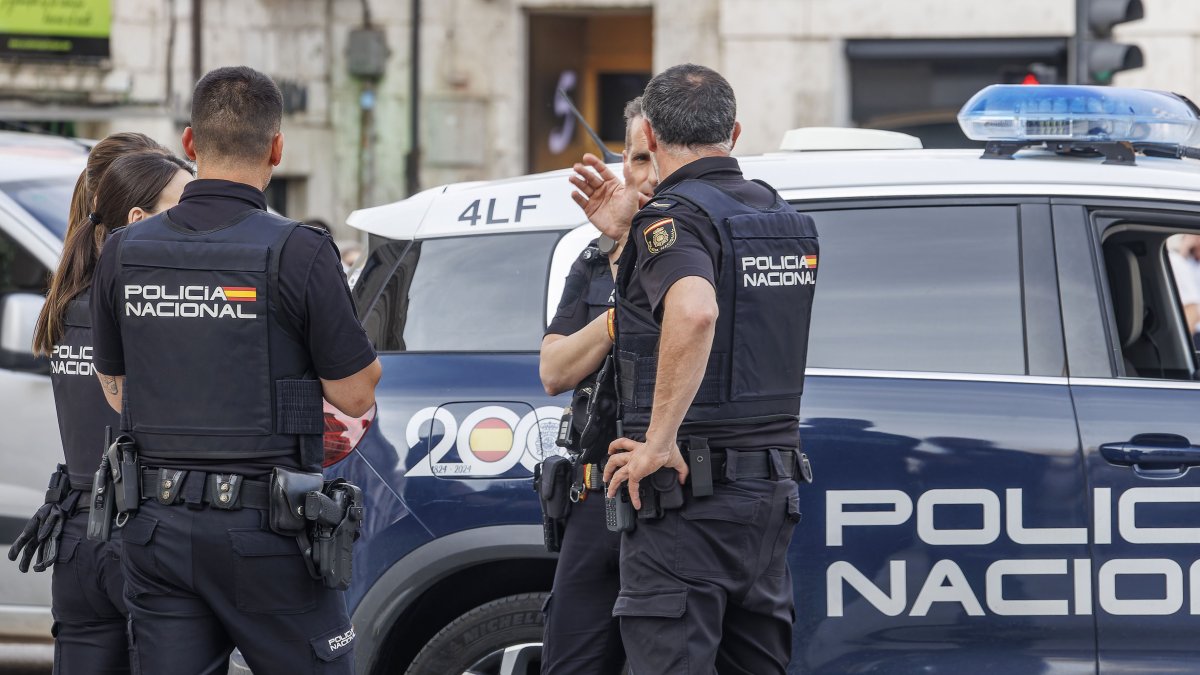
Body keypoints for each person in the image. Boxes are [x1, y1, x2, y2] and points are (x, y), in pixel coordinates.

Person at [90, 66, 381, 675]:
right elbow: (355, 396)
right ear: (277, 147)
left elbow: (116, 392)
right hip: (265, 535)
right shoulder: (300, 250)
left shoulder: (122, 250)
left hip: (155, 532)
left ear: (190, 143)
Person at [581, 64, 818, 673]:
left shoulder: (674, 217)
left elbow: (694, 313)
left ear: (651, 137)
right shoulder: (782, 219)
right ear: (733, 131)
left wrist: (657, 443)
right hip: (768, 496)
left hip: (689, 499)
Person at [12, 141, 191, 675]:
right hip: (140, 532)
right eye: (179, 208)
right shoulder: (146, 308)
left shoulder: (66, 301)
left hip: (75, 532)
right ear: (134, 215)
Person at [539, 97, 657, 675]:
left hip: (671, 499)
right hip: (595, 501)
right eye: (636, 157)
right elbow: (556, 370)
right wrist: (616, 313)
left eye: (654, 156)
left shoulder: (702, 243)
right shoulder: (594, 257)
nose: (646, 173)